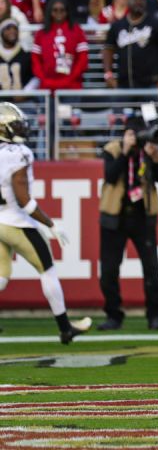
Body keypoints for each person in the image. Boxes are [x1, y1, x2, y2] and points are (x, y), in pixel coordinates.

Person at [0, 103, 91, 343]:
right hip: (14, 221)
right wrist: (50, 224)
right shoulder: (18, 153)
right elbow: (23, 200)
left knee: (1, 276)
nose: (20, 129)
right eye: (15, 126)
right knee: (47, 270)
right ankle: (65, 328)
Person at [98, 115, 158, 331]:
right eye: (132, 135)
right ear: (125, 134)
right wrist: (126, 150)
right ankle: (113, 314)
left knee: (151, 269)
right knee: (109, 270)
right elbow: (110, 176)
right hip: (114, 216)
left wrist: (154, 158)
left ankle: (155, 315)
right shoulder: (112, 149)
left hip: (142, 216)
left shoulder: (150, 150)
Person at [103, 0, 158, 91]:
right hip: (123, 84)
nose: (139, 2)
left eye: (142, 0)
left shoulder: (156, 23)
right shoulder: (117, 25)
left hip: (150, 84)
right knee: (117, 105)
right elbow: (108, 49)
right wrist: (108, 75)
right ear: (128, 2)